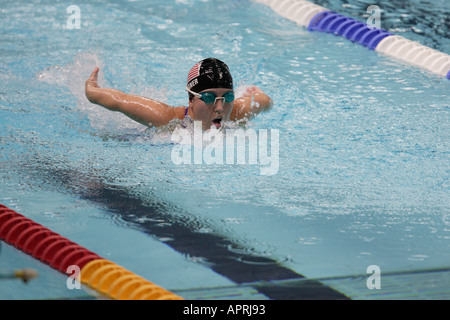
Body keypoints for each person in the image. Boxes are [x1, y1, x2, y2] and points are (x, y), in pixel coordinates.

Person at [85, 58, 273, 131]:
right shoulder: (168, 120)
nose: (220, 107)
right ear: (190, 100)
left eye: (228, 97)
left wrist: (259, 93)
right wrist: (92, 90)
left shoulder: (236, 113)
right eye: (208, 98)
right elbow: (121, 101)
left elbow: (264, 101)